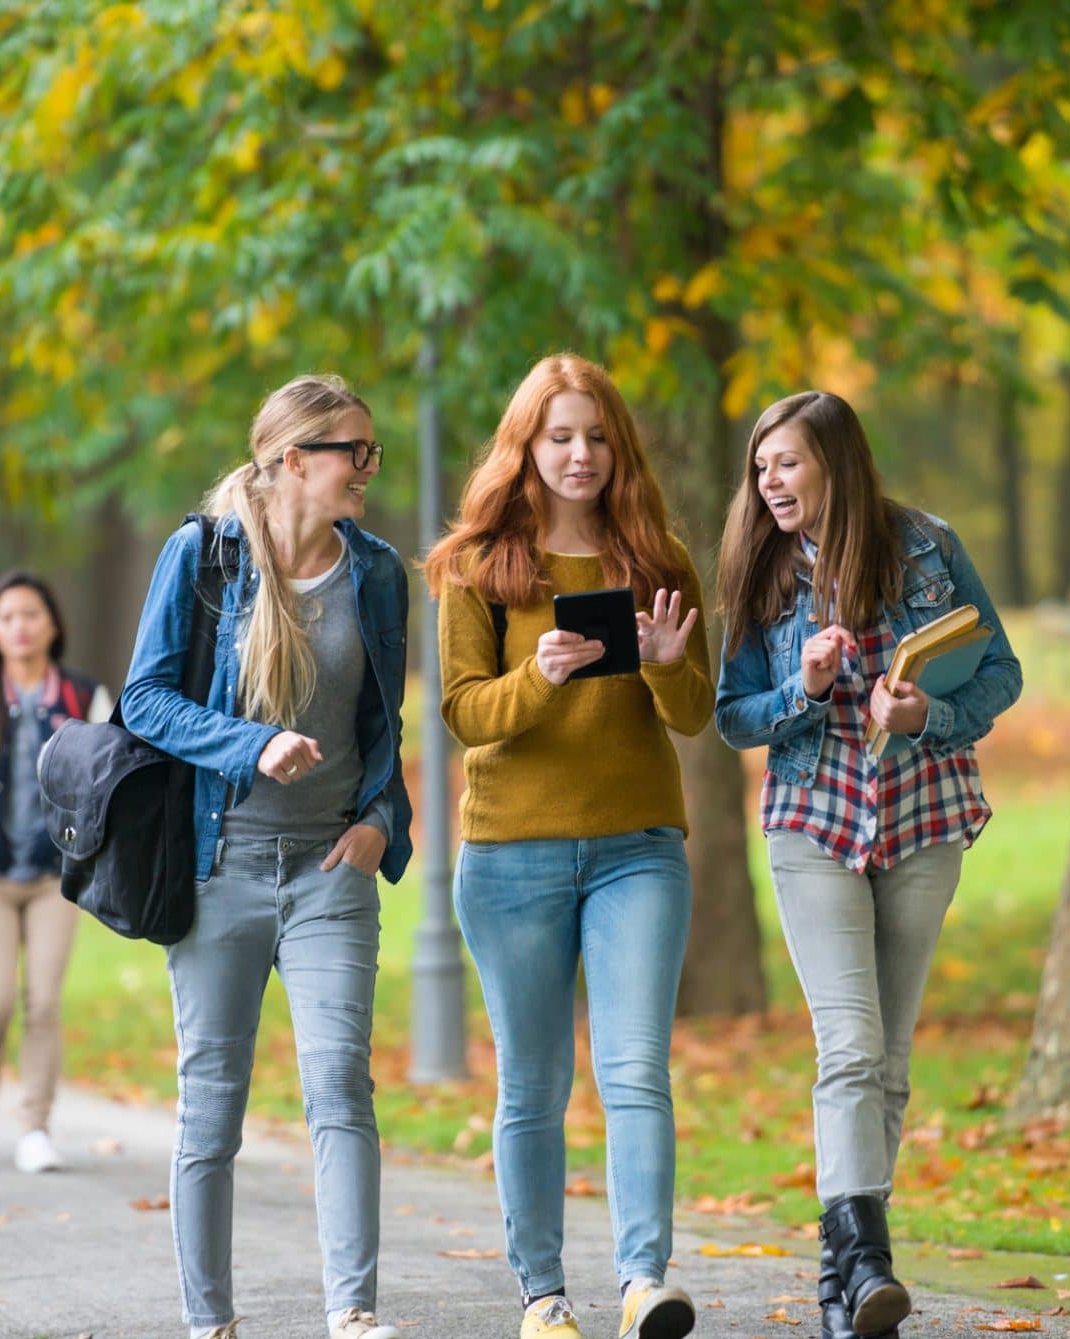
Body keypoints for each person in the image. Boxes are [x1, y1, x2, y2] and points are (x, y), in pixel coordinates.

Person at [713, 391, 1022, 1339]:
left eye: (787, 464)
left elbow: (1001, 668)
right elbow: (735, 714)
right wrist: (801, 690)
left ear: (836, 465)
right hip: (814, 823)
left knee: (886, 1062)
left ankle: (840, 1286)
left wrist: (927, 716)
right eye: (760, 467)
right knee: (847, 1046)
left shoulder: (927, 543)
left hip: (923, 820)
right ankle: (867, 1262)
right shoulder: (763, 569)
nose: (768, 483)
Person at [120, 375, 413, 1339]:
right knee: (212, 1105)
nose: (369, 469)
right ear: (296, 460)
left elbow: (384, 725)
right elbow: (146, 701)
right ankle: (210, 1322)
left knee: (339, 1084)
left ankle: (353, 1313)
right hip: (221, 866)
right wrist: (250, 745)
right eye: (353, 453)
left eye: (371, 452)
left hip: (331, 869)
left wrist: (380, 818)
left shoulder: (375, 571)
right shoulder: (201, 559)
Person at [424, 353, 710, 1339]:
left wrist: (667, 665)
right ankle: (542, 1298)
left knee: (633, 1069)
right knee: (534, 1082)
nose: (580, 453)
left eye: (595, 435)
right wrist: (539, 676)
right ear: (527, 448)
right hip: (511, 856)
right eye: (560, 437)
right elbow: (464, 714)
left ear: (615, 445)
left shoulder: (658, 556)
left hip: (637, 847)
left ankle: (642, 1282)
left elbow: (693, 714)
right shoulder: (474, 565)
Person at [0, 572, 112, 1173]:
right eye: (7, 617)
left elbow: (109, 767)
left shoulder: (86, 698)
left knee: (43, 1003)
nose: (20, 627)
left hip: (56, 872)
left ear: (52, 624)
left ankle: (35, 1125)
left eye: (31, 614)